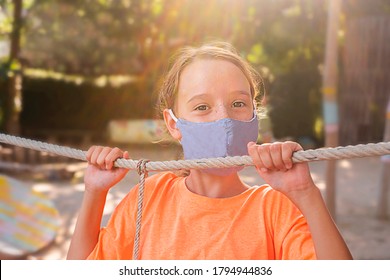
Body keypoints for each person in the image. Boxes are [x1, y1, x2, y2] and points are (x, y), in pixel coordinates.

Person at [67, 42, 352, 260]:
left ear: (255, 113)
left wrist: (306, 193)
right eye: (202, 107)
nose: (223, 119)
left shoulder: (275, 208)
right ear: (173, 123)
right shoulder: (148, 197)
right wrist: (94, 192)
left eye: (238, 104)